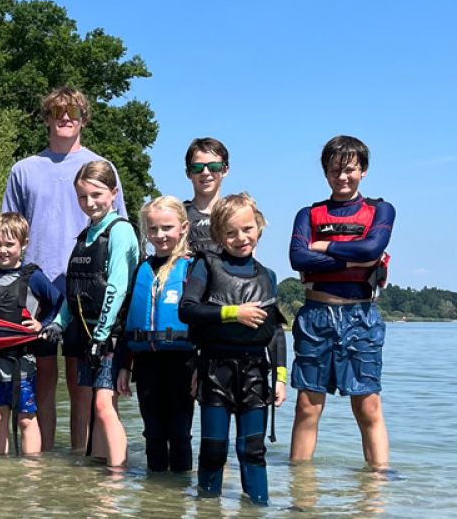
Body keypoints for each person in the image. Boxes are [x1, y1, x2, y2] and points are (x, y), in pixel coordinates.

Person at [2, 87, 128, 452]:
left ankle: (78, 461)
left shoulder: (100, 167)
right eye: (57, 112)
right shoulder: (23, 170)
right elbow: (10, 228)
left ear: (83, 118)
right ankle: (39, 464)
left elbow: (118, 229)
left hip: (86, 288)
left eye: (73, 112)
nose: (66, 118)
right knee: (41, 378)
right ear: (46, 119)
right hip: (36, 286)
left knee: (81, 381)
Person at [288, 135, 394, 469]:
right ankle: (300, 489)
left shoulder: (380, 210)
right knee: (307, 404)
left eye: (349, 169)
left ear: (363, 170)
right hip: (316, 314)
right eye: (335, 170)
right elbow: (297, 258)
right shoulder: (308, 214)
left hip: (361, 316)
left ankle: (376, 487)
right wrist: (354, 261)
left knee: (368, 406)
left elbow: (371, 250)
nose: (342, 176)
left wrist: (324, 248)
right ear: (326, 173)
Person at [178, 193, 286, 506]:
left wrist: (280, 375)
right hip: (215, 369)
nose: (241, 238)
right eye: (231, 232)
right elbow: (187, 309)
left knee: (252, 451)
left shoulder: (268, 276)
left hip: (254, 372)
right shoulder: (206, 265)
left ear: (260, 227)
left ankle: (258, 507)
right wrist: (232, 313)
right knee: (214, 450)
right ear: (218, 234)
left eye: (248, 229)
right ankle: (207, 507)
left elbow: (276, 331)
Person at [40, 160, 139, 467]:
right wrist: (58, 322)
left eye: (96, 195)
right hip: (86, 334)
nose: (89, 203)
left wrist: (101, 337)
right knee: (96, 404)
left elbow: (116, 287)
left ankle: (117, 473)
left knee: (103, 404)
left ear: (113, 193)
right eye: (82, 197)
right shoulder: (85, 235)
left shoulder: (120, 231)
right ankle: (98, 471)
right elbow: (77, 289)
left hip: (110, 336)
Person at [116, 196, 197, 472]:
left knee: (179, 431)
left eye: (167, 228)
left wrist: (202, 366)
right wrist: (125, 366)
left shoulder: (193, 268)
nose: (160, 235)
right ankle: (154, 498)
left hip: (183, 363)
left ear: (183, 228)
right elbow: (127, 319)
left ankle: (179, 495)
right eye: (153, 229)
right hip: (147, 362)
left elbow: (205, 324)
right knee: (152, 432)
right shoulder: (142, 268)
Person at [0, 213, 61, 456]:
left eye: (10, 244)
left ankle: (31, 475)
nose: (3, 250)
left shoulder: (34, 277)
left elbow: (60, 303)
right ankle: (0, 475)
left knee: (26, 418)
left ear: (24, 244)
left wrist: (43, 325)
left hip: (23, 361)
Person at [183, 137, 229, 255]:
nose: (206, 173)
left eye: (214, 166)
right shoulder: (178, 215)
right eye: (197, 168)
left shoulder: (237, 212)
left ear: (225, 170)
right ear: (188, 173)